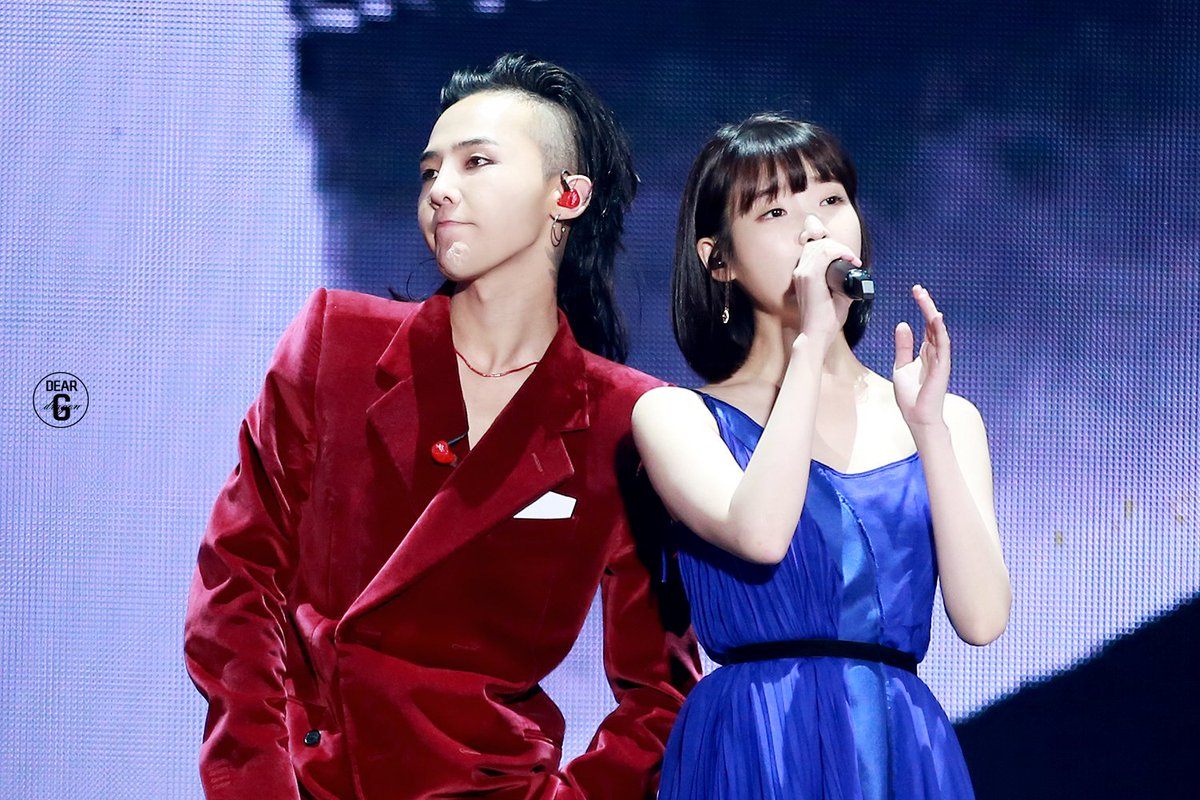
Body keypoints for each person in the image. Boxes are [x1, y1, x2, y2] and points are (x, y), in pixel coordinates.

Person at [184, 53, 700, 800]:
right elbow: (235, 585)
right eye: (430, 171)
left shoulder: (626, 418)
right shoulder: (335, 342)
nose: (441, 189)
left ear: (567, 195)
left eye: (476, 162)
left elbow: (662, 695)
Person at [632, 113, 1011, 798]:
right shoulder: (674, 416)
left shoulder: (947, 416)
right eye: (775, 211)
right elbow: (761, 533)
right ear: (719, 260)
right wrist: (810, 345)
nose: (815, 230)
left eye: (831, 200)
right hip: (756, 738)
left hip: (897, 740)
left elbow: (982, 619)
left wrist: (928, 428)